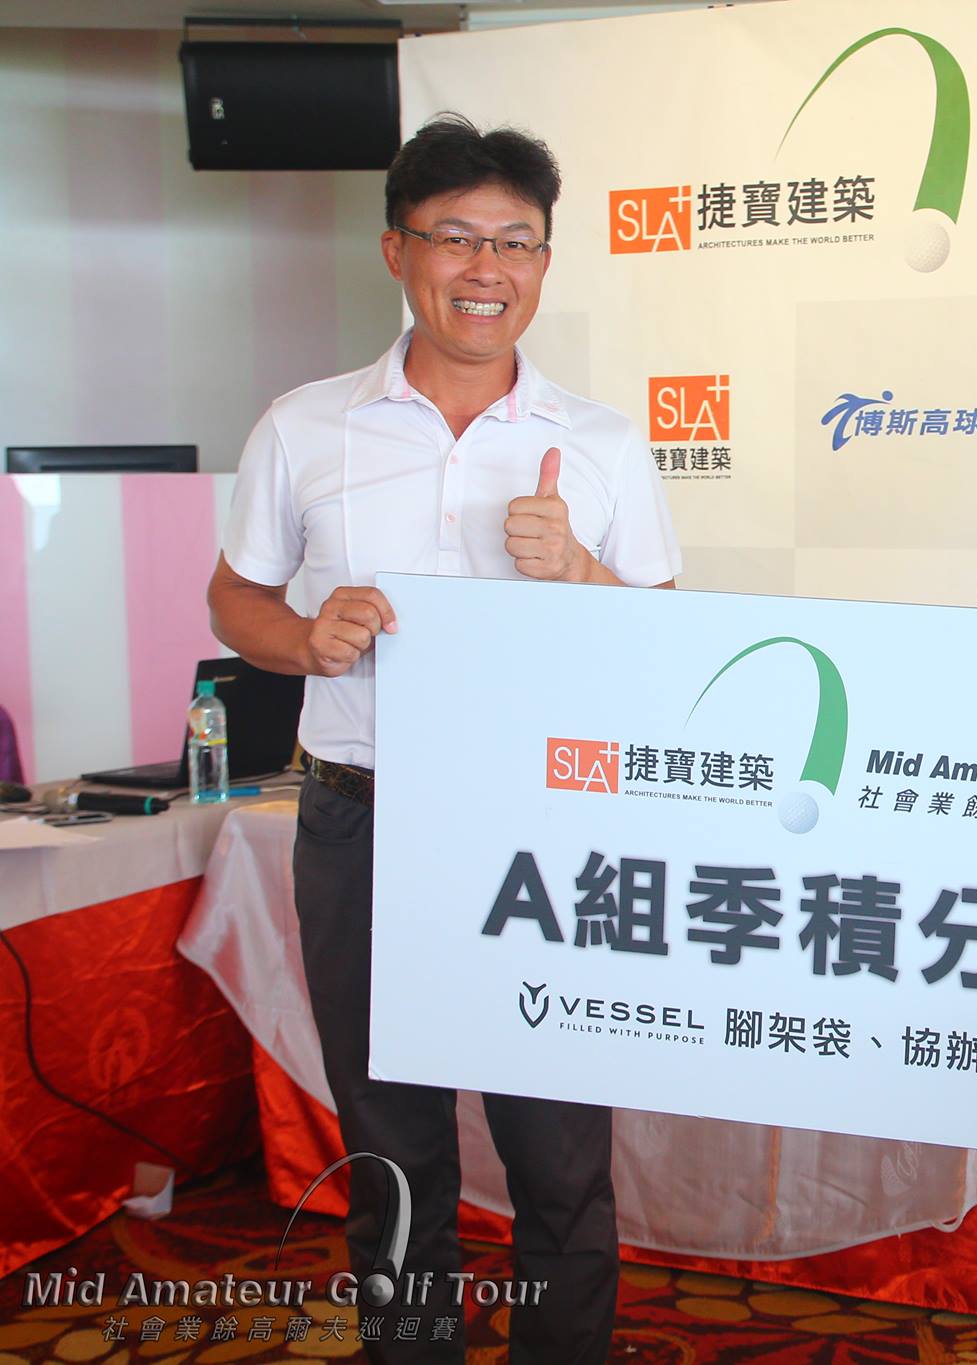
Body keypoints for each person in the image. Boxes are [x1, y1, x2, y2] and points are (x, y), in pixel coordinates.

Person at [208, 115, 680, 1365]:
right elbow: (235, 598)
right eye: (456, 237)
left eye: (515, 242)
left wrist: (580, 572)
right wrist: (303, 637)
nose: (487, 268)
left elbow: (665, 645)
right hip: (362, 818)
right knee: (391, 1148)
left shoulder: (600, 442)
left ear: (544, 262)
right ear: (396, 250)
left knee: (560, 1153)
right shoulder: (305, 426)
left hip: (543, 824)